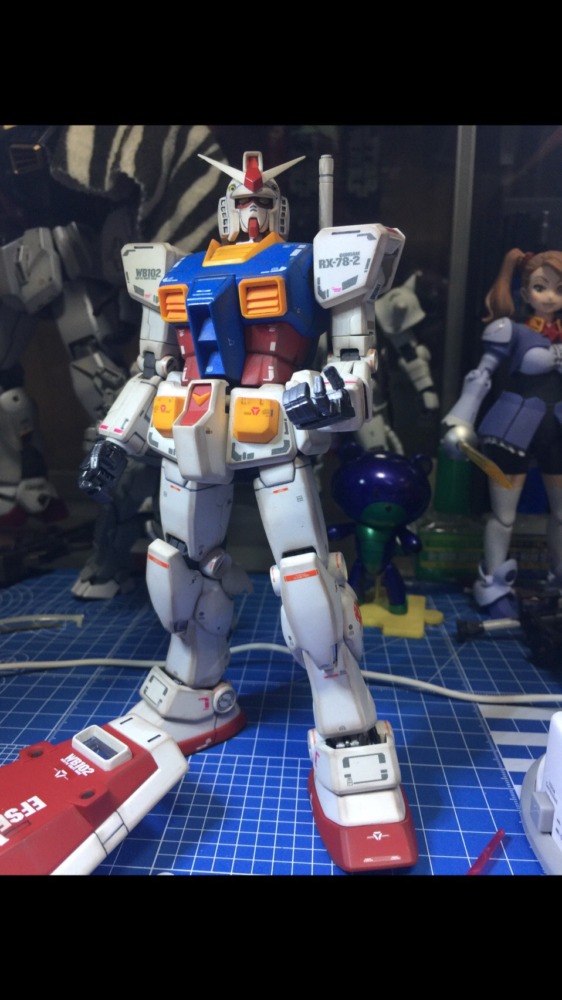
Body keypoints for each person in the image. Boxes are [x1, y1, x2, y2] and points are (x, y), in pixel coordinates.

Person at [78, 149, 419, 872]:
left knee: (304, 575)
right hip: (185, 425)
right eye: (239, 199)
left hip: (273, 425)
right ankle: (193, 689)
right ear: (223, 206)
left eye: (261, 201)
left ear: (280, 207)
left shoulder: (314, 259)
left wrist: (335, 391)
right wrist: (114, 436)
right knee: (177, 563)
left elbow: (357, 360)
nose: (249, 207)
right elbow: (152, 369)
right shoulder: (172, 269)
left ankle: (346, 730)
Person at [441, 248, 562, 617]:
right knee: (504, 516)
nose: (550, 297)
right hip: (514, 426)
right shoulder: (511, 330)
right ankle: (493, 582)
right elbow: (481, 376)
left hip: (556, 429)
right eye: (541, 287)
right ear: (525, 293)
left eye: (559, 289)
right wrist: (460, 419)